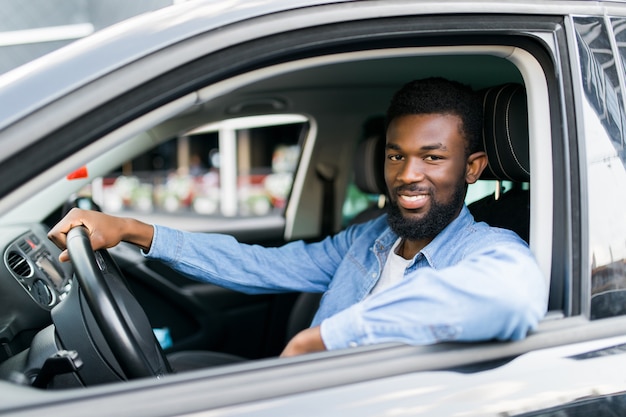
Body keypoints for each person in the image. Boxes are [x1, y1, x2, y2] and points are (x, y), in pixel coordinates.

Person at [48, 77, 547, 359]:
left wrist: (325, 338)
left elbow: (509, 296)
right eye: (396, 156)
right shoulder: (371, 238)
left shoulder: (489, 247)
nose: (408, 174)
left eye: (432, 158)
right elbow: (262, 266)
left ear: (473, 167)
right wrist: (132, 230)